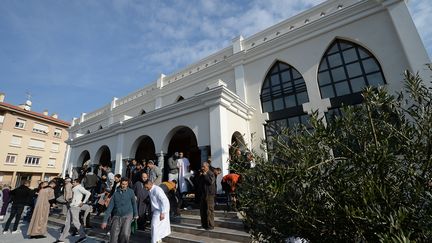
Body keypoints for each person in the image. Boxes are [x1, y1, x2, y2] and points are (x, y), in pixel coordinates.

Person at [54, 178, 91, 243]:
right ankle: (61, 239)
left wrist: (83, 202)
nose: (72, 183)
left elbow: (88, 193)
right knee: (67, 223)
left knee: (76, 222)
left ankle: (83, 236)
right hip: (71, 206)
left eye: (74, 182)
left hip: (75, 207)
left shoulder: (80, 187)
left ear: (77, 183)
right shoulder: (75, 188)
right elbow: (76, 196)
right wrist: (71, 200)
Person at [102, 178, 138, 243]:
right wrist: (104, 221)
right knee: (114, 235)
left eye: (126, 184)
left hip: (128, 215)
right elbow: (110, 208)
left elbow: (134, 203)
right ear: (120, 184)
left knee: (125, 234)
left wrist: (136, 214)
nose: (124, 186)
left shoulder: (131, 192)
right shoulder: (115, 194)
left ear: (127, 184)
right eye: (123, 184)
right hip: (116, 216)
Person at [198, 161, 216, 230]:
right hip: (203, 194)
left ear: (207, 167)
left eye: (204, 167)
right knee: (202, 210)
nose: (202, 168)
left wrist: (205, 175)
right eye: (202, 166)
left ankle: (211, 225)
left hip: (209, 195)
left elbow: (210, 182)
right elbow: (199, 183)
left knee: (209, 210)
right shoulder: (202, 174)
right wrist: (200, 176)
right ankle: (204, 225)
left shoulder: (211, 173)